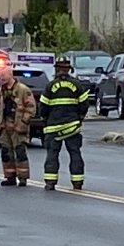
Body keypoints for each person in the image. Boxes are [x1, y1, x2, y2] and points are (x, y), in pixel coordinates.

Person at [0, 66, 36, 187]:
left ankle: (23, 178)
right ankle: (10, 177)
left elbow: (31, 107)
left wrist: (23, 122)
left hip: (18, 127)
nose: (2, 78)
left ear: (11, 75)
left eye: (3, 76)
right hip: (4, 127)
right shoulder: (1, 91)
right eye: (0, 76)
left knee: (20, 151)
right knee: (6, 152)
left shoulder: (23, 90)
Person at [39, 57, 89, 191]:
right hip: (72, 127)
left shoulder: (50, 86)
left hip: (54, 128)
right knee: (75, 153)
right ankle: (77, 182)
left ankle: (50, 182)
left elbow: (43, 107)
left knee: (52, 154)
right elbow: (84, 105)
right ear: (68, 70)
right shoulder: (77, 85)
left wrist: (46, 119)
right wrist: (78, 118)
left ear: (57, 69)